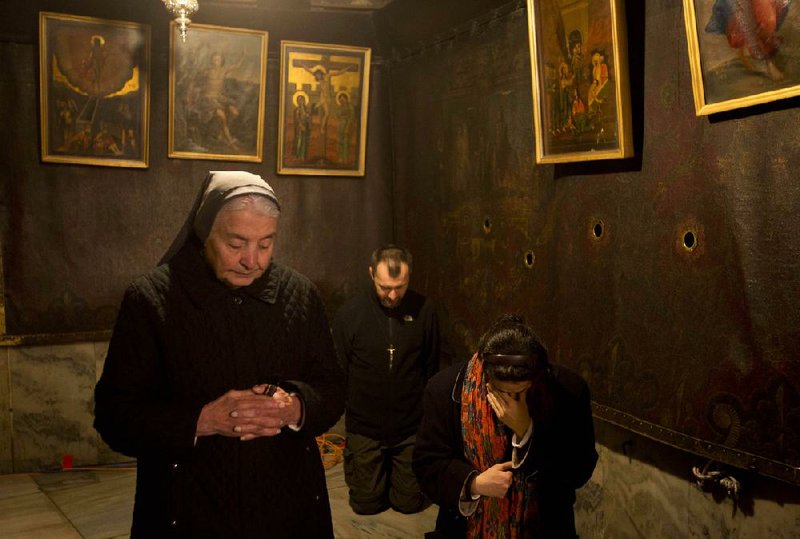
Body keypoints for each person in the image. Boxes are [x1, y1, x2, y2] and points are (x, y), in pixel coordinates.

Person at [94, 171, 345, 537]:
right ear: (204, 233)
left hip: (288, 509)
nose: (252, 260)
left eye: (265, 243)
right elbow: (114, 417)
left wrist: (295, 407)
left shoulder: (300, 295)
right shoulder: (151, 300)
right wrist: (201, 420)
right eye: (236, 243)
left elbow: (333, 389)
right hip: (190, 510)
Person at [413, 315, 597, 538]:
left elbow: (579, 470)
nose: (511, 400)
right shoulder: (445, 388)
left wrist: (527, 431)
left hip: (542, 527)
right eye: (502, 392)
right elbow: (426, 463)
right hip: (466, 529)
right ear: (485, 376)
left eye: (521, 392)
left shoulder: (568, 390)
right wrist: (474, 483)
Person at [332, 245, 440, 515]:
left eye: (400, 287)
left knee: (409, 505)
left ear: (409, 277)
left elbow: (432, 365)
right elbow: (339, 371)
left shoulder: (425, 310)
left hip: (409, 426)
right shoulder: (350, 314)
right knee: (365, 505)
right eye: (385, 287)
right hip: (365, 427)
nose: (393, 295)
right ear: (371, 274)